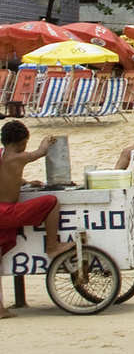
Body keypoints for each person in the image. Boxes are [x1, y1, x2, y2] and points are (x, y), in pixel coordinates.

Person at [0, 119, 76, 315]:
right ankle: (52, 245)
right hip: (6, 212)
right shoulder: (18, 156)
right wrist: (46, 142)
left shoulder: (3, 155)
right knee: (51, 201)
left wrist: (24, 181)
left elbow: (7, 174)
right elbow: (40, 153)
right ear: (21, 142)